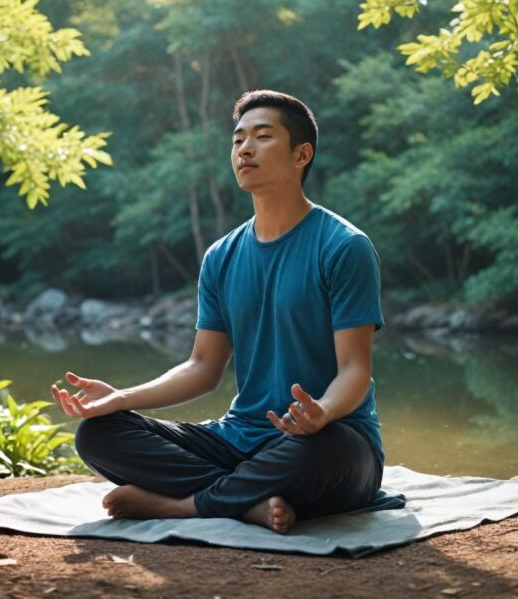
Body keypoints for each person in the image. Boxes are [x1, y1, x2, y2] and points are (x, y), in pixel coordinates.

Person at [51, 89, 385, 534]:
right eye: (237, 139)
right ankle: (246, 503)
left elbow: (354, 369)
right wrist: (121, 398)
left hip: (326, 439)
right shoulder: (221, 256)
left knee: (328, 452)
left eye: (262, 137)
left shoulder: (344, 247)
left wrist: (321, 412)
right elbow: (203, 367)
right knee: (98, 434)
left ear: (301, 154)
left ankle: (181, 505)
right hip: (239, 439)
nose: (244, 148)